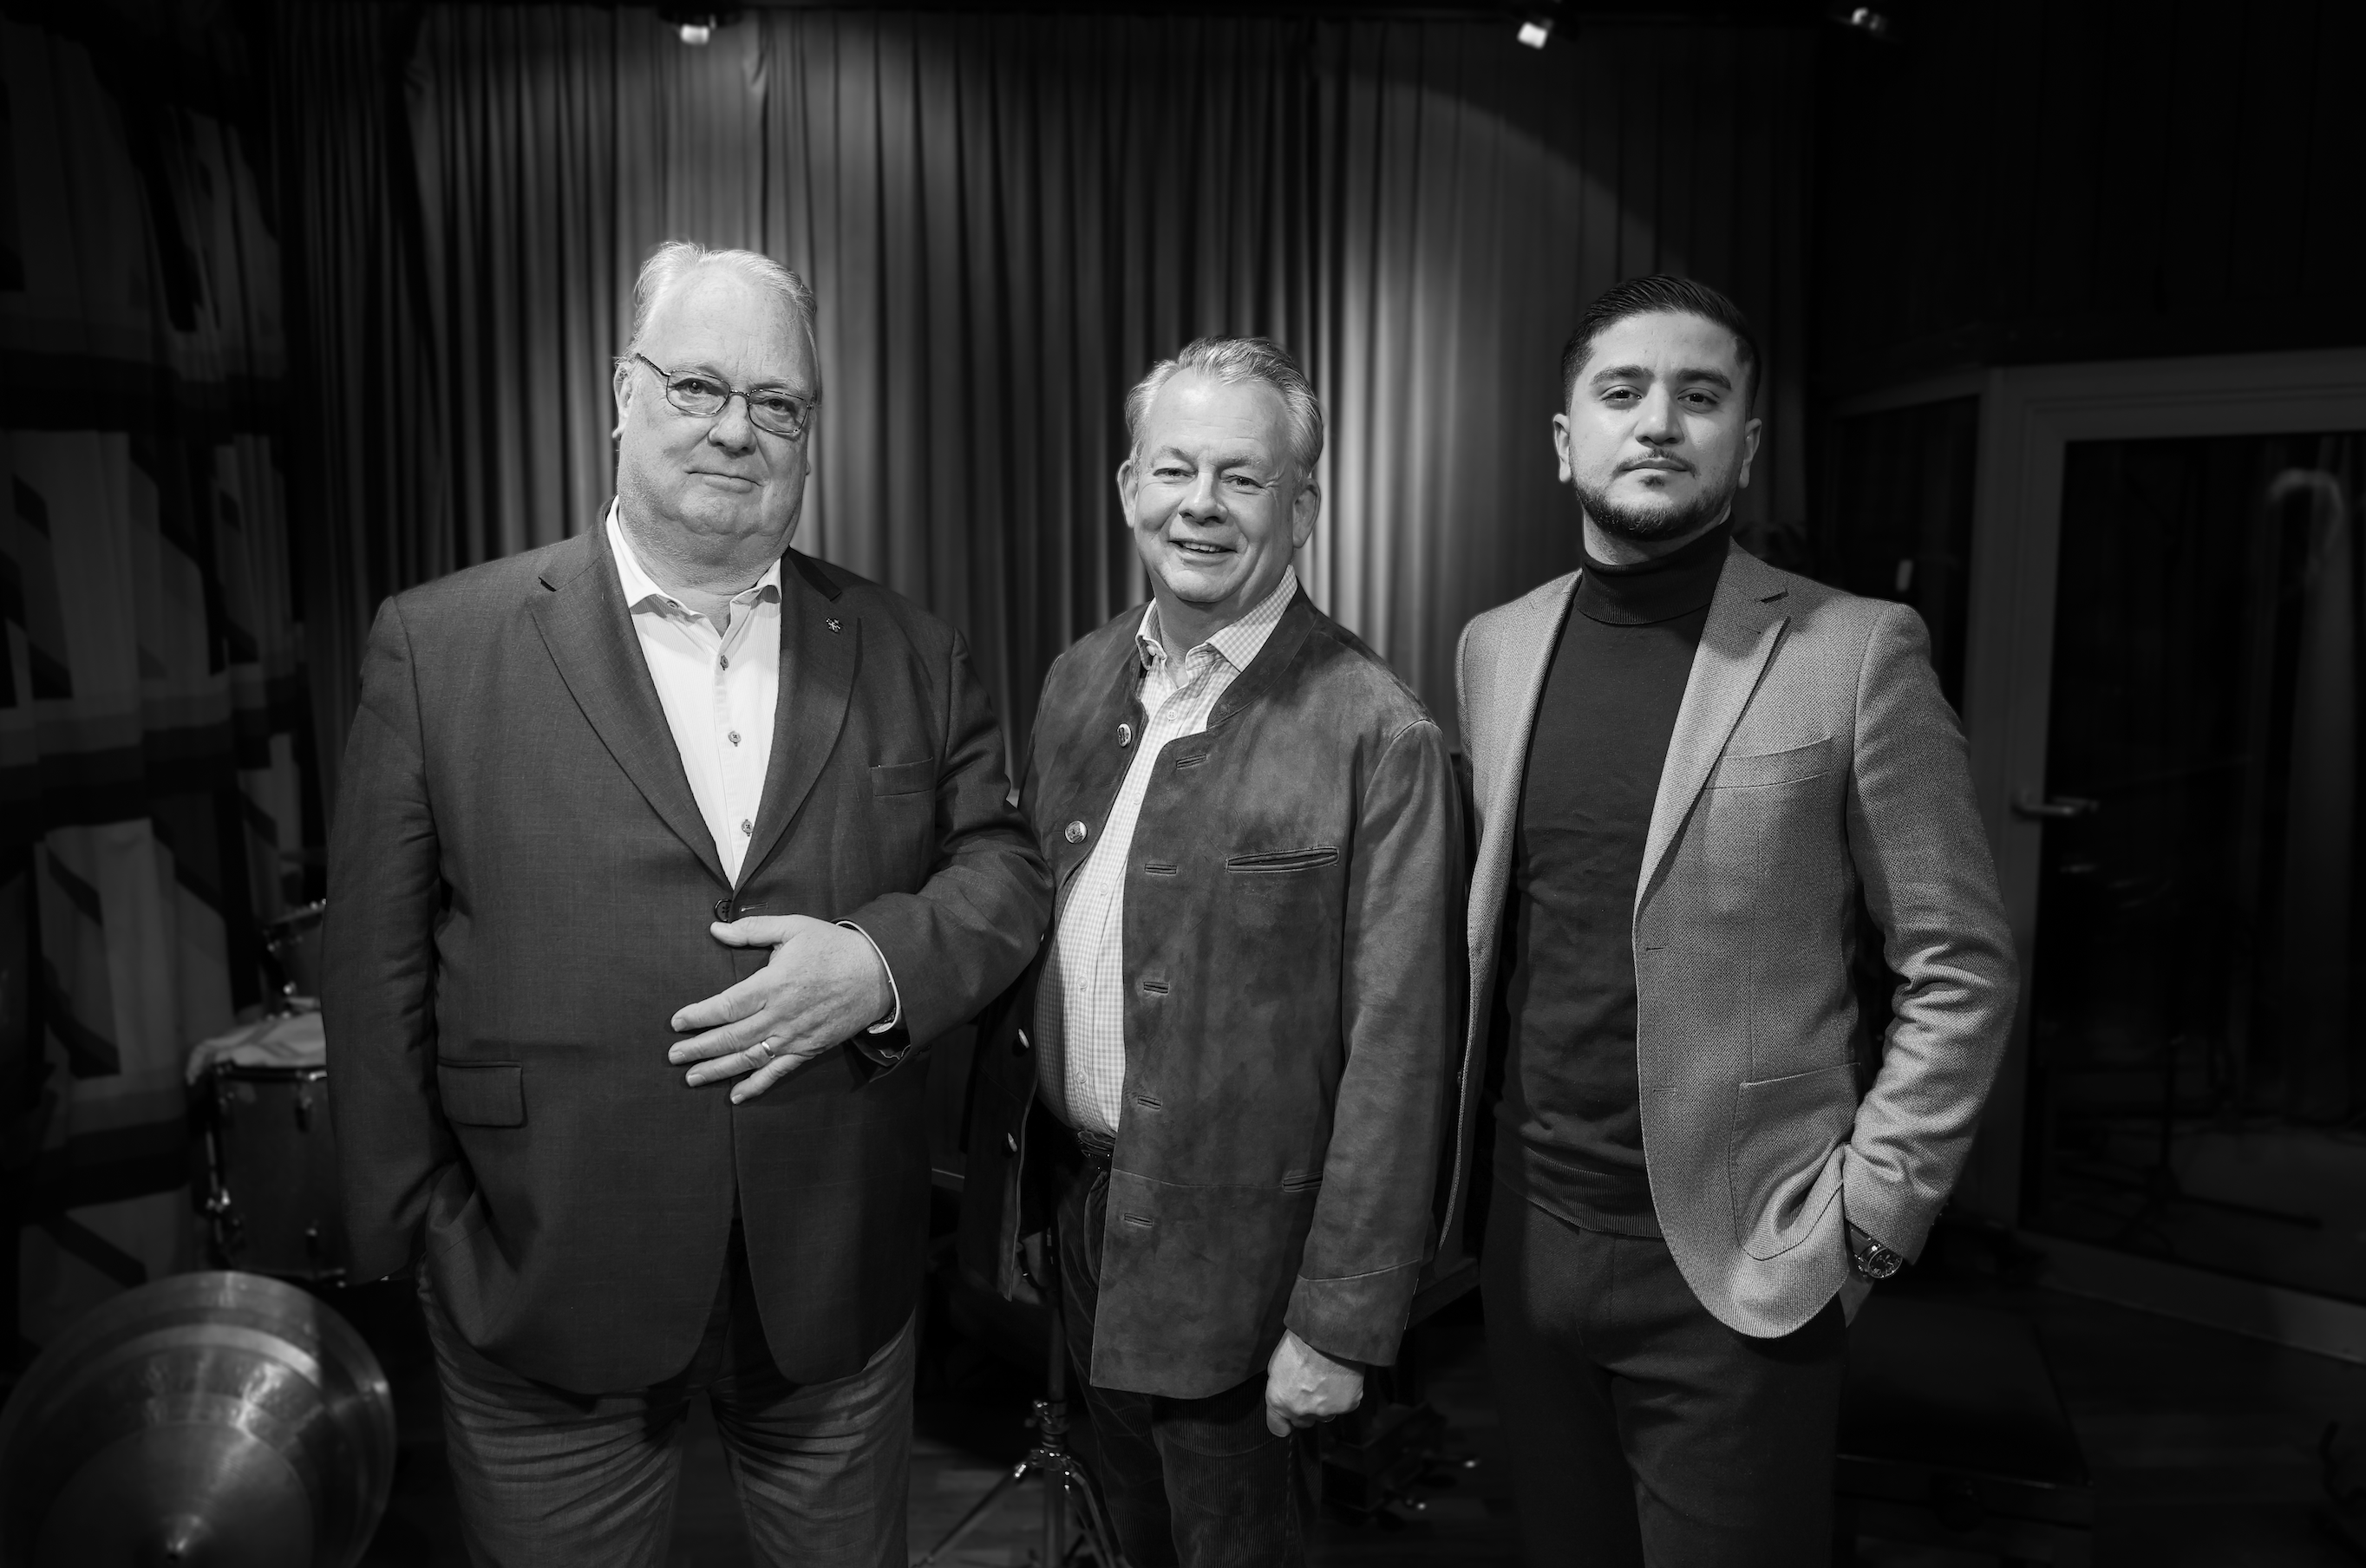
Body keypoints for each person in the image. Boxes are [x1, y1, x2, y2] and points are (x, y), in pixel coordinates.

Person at [322, 240, 1048, 1568]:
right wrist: (420, 1233)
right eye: (698, 386)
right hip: (539, 1281)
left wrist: (879, 965)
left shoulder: (912, 650)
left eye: (777, 402)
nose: (735, 428)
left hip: (831, 1281)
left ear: (810, 434)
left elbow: (1003, 870)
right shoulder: (438, 645)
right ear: (624, 394)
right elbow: (373, 969)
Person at [1455, 275, 2019, 1567]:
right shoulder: (1496, 647)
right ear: (1566, 441)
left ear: (1746, 444)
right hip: (1524, 1245)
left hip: (1744, 1261)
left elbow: (1961, 965)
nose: (1660, 421)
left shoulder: (1855, 651)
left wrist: (1873, 1221)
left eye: (1699, 396)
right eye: (1624, 392)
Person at [959, 336, 1461, 1568]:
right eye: (1175, 469)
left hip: (1251, 1271)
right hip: (1087, 1221)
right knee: (1126, 1540)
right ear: (1129, 486)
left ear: (1304, 507)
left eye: (1243, 477)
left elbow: (1402, 1057)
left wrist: (1338, 1324)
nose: (1201, 504)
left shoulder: (1376, 730)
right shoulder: (1080, 681)